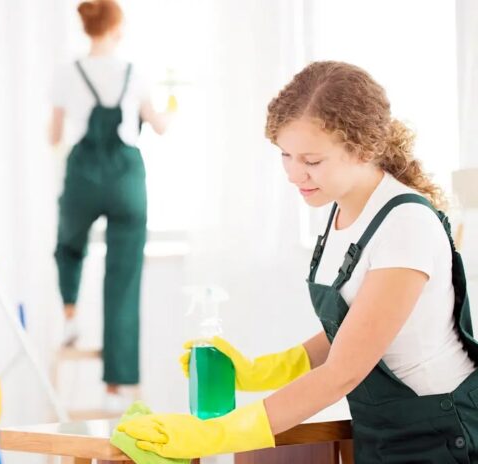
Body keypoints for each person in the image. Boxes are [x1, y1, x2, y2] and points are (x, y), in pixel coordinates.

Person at [117, 61, 478, 462]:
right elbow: (355, 328)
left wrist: (216, 435)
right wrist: (265, 370)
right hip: (384, 431)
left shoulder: (405, 225)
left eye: (311, 161)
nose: (293, 173)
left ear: (363, 148)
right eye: (285, 155)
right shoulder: (342, 209)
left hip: (442, 434)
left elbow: (343, 371)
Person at [49, 0, 172, 410]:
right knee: (124, 276)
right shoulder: (134, 72)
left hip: (83, 175)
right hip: (126, 181)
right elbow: (158, 125)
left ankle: (70, 317)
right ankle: (115, 389)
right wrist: (169, 111)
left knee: (69, 245)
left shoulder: (67, 72)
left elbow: (53, 136)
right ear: (117, 27)